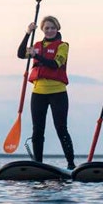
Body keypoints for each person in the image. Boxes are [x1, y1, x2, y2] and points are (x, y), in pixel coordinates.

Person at [17, 15, 76, 170]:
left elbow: (55, 64)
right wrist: (28, 33)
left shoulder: (63, 46)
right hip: (38, 93)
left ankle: (71, 164)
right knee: (37, 130)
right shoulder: (36, 45)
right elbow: (20, 54)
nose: (50, 31)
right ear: (42, 30)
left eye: (52, 28)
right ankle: (38, 164)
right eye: (47, 28)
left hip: (58, 93)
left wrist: (36, 55)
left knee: (61, 128)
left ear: (57, 29)